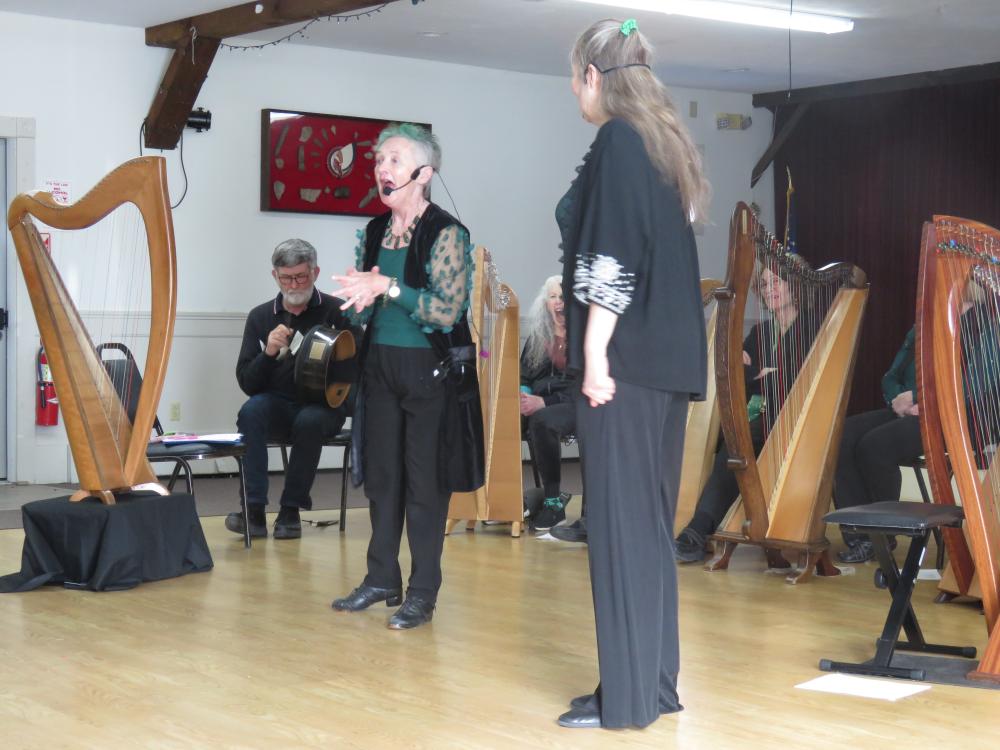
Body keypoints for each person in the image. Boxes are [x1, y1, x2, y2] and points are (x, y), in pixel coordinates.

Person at [555, 19, 710, 730]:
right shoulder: (667, 144)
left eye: (575, 80)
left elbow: (613, 261)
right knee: (645, 528)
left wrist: (592, 356)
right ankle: (654, 683)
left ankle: (627, 701)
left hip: (624, 364)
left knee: (619, 531)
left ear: (592, 76)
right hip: (668, 364)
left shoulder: (618, 140)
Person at [329, 123, 477, 630]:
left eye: (393, 160)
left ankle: (423, 591)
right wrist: (357, 301)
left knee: (424, 486)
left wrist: (387, 287)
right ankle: (381, 578)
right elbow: (364, 310)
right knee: (383, 480)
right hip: (380, 369)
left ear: (423, 173)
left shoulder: (447, 233)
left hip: (429, 374)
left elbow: (445, 310)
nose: (381, 170)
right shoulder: (372, 232)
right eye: (378, 161)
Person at [674, 264, 802, 563]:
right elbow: (735, 375)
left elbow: (795, 381)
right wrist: (759, 373)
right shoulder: (760, 331)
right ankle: (699, 524)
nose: (770, 290)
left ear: (794, 287)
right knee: (722, 437)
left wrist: (756, 374)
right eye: (765, 284)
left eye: (777, 283)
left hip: (790, 418)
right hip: (758, 415)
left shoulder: (812, 327)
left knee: (737, 442)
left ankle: (699, 527)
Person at [227, 239, 353, 540]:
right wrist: (268, 353)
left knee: (309, 421)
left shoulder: (337, 312)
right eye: (286, 277)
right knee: (251, 411)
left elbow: (355, 373)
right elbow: (247, 382)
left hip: (323, 406)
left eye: (301, 276)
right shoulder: (260, 317)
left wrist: (337, 397)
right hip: (278, 402)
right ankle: (253, 510)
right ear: (275, 276)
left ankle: (291, 510)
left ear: (315, 272)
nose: (294, 284)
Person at [831, 327, 922, 563]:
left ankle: (883, 533)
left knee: (876, 445)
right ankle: (858, 533)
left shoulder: (982, 324)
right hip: (907, 408)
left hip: (949, 416)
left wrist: (921, 397)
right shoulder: (920, 326)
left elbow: (974, 384)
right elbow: (890, 376)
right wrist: (899, 400)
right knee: (842, 435)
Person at [520, 275, 578, 531]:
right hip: (539, 402)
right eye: (553, 297)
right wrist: (522, 398)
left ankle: (554, 502)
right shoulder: (537, 336)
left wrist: (543, 401)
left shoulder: (583, 337)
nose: (558, 302)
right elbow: (524, 375)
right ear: (546, 303)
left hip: (573, 404)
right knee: (502, 419)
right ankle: (502, 499)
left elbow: (583, 387)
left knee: (542, 419)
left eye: (563, 297)